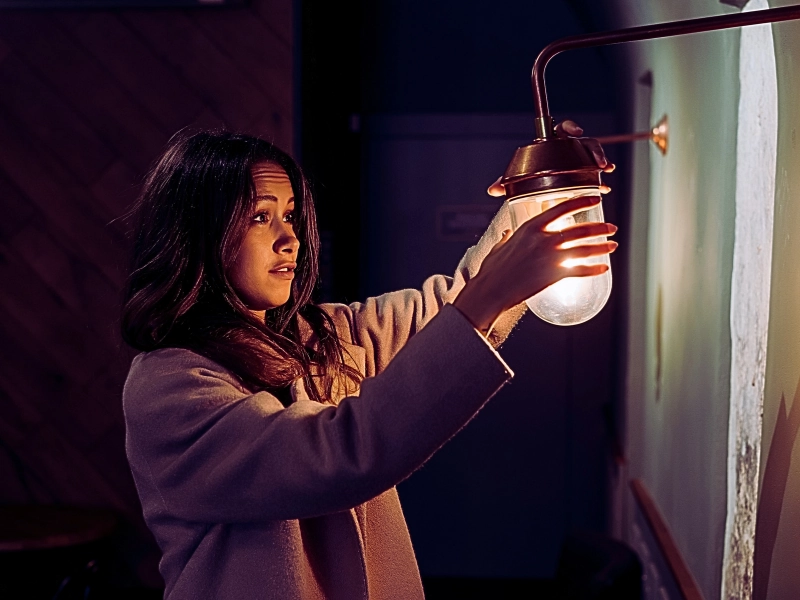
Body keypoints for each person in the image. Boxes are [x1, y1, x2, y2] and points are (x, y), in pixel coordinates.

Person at [120, 123, 617, 600]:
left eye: (290, 215)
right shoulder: (168, 386)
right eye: (259, 217)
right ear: (199, 234)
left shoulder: (320, 337)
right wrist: (490, 291)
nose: (289, 238)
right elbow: (338, 456)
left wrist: (540, 194)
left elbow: (451, 312)